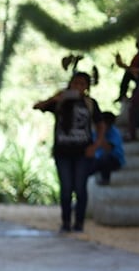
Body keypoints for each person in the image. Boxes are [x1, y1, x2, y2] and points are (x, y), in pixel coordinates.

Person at [33, 71, 104, 233]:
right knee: (66, 188)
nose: (77, 86)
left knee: (80, 187)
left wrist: (96, 145)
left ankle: (79, 223)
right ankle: (65, 222)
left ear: (86, 87)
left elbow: (100, 125)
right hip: (63, 152)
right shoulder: (61, 101)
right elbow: (37, 106)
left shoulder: (90, 103)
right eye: (75, 83)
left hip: (83, 152)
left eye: (81, 84)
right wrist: (55, 98)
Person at [90, 112, 126, 186]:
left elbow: (108, 148)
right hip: (97, 159)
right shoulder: (94, 133)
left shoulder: (115, 133)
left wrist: (101, 134)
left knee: (105, 158)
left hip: (114, 160)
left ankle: (105, 179)